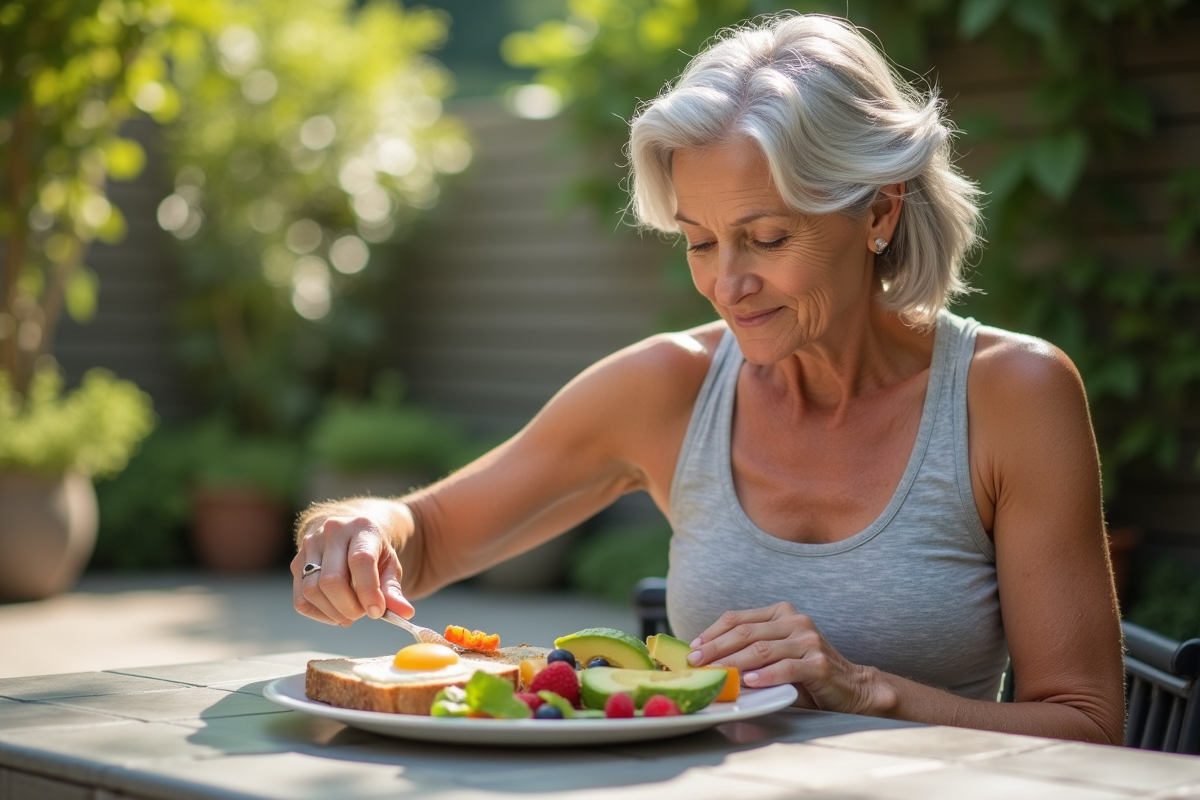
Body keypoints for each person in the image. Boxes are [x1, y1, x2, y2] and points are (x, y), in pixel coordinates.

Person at [293, 13, 1125, 743]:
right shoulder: (668, 387)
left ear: (878, 212)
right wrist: (355, 528)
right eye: (699, 241)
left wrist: (867, 691)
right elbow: (428, 533)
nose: (727, 283)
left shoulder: (1011, 396)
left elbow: (1088, 725)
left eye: (765, 238)